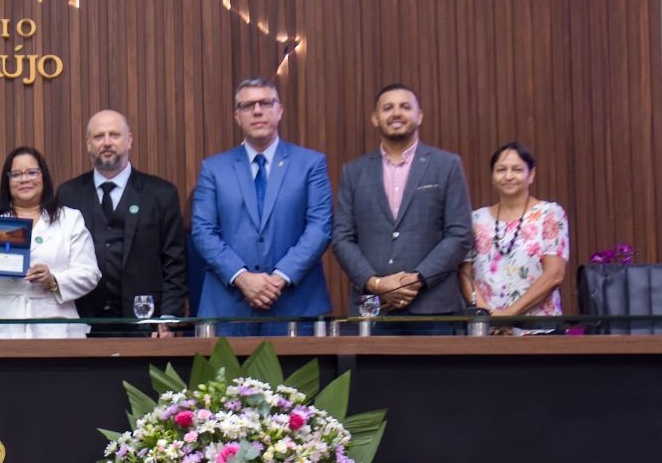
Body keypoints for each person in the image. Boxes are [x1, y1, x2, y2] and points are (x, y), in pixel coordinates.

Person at [191, 78, 333, 335]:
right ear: (237, 116)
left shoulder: (311, 163)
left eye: (266, 103)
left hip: (294, 304)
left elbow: (319, 228)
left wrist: (278, 279)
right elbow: (202, 231)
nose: (257, 111)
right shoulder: (213, 168)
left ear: (280, 110)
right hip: (229, 307)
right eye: (247, 106)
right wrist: (242, 277)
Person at [333, 83, 473, 333]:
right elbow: (342, 238)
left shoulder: (447, 165)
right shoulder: (353, 172)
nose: (396, 113)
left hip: (434, 310)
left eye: (404, 107)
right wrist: (375, 284)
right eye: (388, 108)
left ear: (419, 115)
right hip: (372, 309)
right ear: (376, 119)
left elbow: (460, 234)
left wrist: (417, 279)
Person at [57, 109, 186, 337]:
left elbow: (175, 262)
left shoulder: (161, 194)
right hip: (81, 322)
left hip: (146, 323)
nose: (107, 142)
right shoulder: (68, 194)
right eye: (99, 136)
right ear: (88, 144)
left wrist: (168, 319)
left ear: (129, 140)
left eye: (114, 135)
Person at [0, 146, 100, 338]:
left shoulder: (70, 219)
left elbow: (89, 274)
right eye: (16, 174)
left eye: (32, 172)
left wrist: (53, 280)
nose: (24, 179)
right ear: (7, 181)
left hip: (53, 329)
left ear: (43, 177)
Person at [458, 143, 569, 334]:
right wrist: (488, 316)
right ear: (492, 176)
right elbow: (465, 275)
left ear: (531, 174)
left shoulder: (550, 214)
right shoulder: (476, 219)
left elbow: (554, 275)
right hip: (489, 332)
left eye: (517, 169)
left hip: (540, 332)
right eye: (501, 170)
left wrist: (509, 315)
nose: (508, 176)